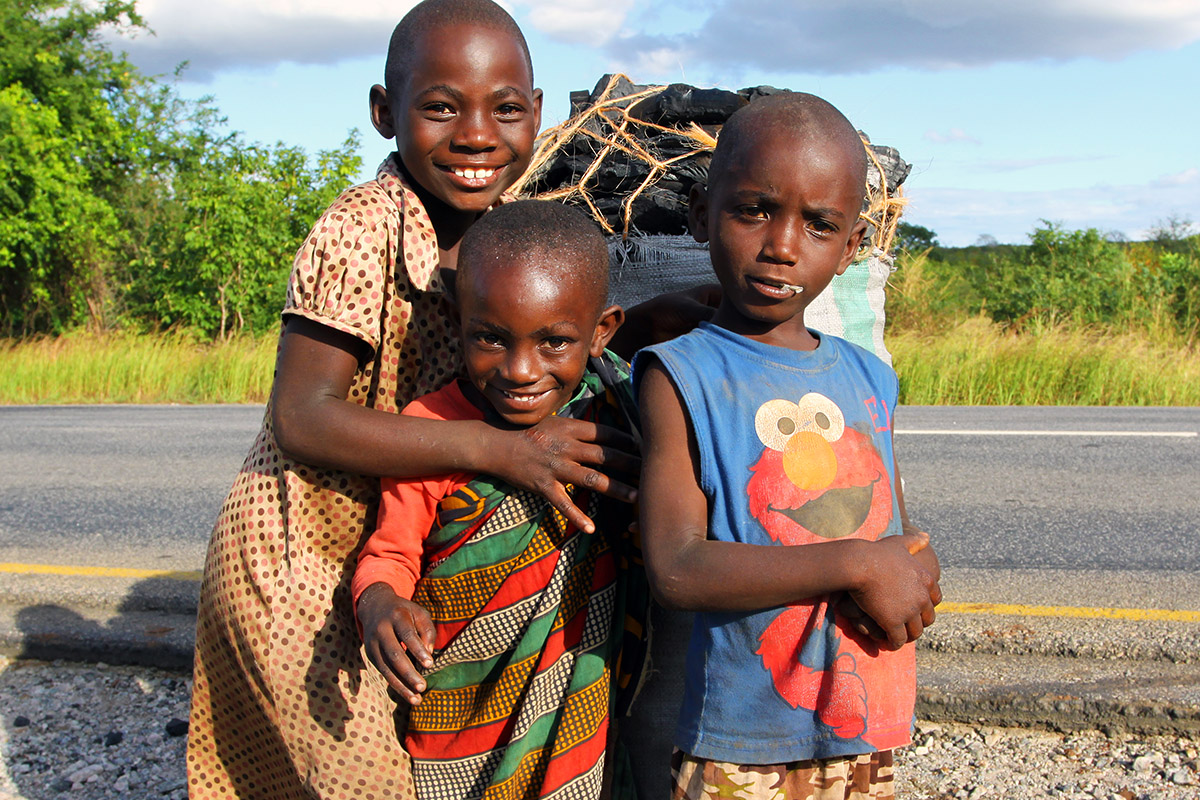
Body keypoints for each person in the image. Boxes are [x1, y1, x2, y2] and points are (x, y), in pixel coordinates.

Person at [185, 2, 656, 797]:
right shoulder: (359, 230)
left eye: (506, 108)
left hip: (397, 544)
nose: (476, 134)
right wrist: (498, 450)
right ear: (383, 113)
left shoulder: (506, 231)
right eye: (441, 106)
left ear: (537, 116)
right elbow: (303, 416)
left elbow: (575, 326)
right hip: (302, 558)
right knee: (353, 775)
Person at [633, 93, 943, 800]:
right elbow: (677, 568)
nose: (781, 244)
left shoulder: (870, 376)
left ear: (853, 243)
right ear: (701, 214)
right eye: (754, 210)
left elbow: (892, 530)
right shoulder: (682, 374)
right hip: (744, 743)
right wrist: (859, 564)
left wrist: (915, 572)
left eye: (819, 224)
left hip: (865, 720)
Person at [351, 199, 646, 800]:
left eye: (554, 342)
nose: (518, 370)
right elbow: (391, 551)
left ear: (601, 332)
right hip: (460, 704)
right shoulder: (429, 427)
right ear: (458, 319)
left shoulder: (612, 410)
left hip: (576, 682)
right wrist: (379, 603)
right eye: (490, 338)